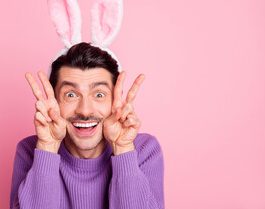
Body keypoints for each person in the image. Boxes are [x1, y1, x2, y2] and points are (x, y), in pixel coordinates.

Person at [10, 42, 164, 209]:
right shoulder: (30, 151)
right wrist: (47, 148)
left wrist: (123, 149)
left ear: (115, 101)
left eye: (99, 94)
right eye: (70, 94)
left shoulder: (144, 151)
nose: (84, 110)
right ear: (53, 101)